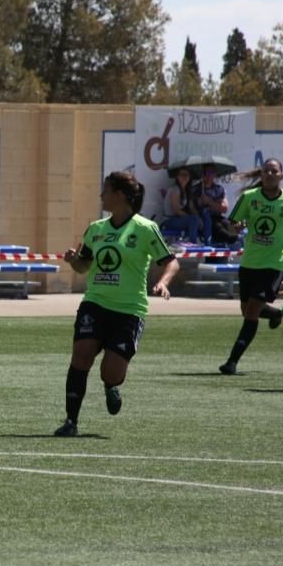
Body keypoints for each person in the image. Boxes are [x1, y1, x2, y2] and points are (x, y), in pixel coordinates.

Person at [54, 171, 179, 437]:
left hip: (129, 309)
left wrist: (164, 282)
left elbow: (171, 261)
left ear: (119, 195)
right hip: (96, 302)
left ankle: (111, 386)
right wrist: (73, 260)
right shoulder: (96, 229)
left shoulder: (145, 228)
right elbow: (84, 266)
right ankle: (70, 421)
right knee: (81, 354)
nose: (101, 195)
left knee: (110, 371)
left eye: (105, 190)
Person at [219, 158, 283, 375]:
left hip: (275, 261)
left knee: (252, 310)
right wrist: (237, 227)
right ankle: (275, 314)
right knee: (246, 309)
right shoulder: (249, 197)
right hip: (250, 261)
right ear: (261, 175)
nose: (270, 175)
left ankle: (232, 362)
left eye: (274, 171)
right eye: (266, 171)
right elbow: (233, 225)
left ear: (281, 175)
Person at [192, 164, 235, 245]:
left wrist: (209, 202)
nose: (209, 175)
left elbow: (224, 208)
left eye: (212, 172)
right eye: (207, 172)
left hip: (217, 217)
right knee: (219, 229)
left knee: (232, 228)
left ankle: (233, 242)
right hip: (204, 219)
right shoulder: (196, 189)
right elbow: (192, 208)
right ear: (203, 174)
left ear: (215, 174)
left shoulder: (218, 189)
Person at [159, 168, 201, 242]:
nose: (184, 177)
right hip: (168, 220)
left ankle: (206, 242)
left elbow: (192, 208)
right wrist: (191, 218)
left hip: (177, 220)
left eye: (187, 175)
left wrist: (199, 218)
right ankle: (192, 243)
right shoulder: (175, 189)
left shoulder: (187, 190)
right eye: (182, 175)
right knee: (192, 219)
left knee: (198, 218)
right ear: (177, 177)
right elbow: (176, 209)